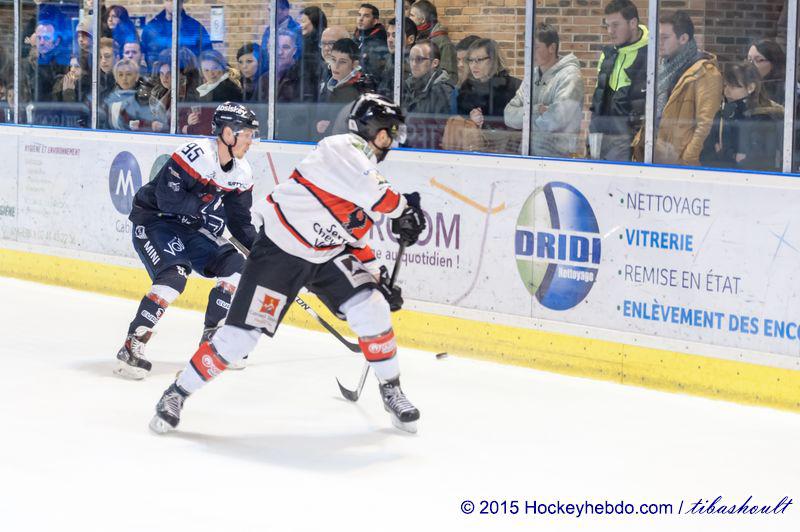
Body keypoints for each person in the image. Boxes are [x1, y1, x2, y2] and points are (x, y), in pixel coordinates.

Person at [149, 93, 426, 434]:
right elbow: (379, 192)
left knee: (372, 307)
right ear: (375, 132)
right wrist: (404, 209)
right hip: (280, 253)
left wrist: (377, 277)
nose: (391, 142)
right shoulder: (339, 149)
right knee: (238, 340)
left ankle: (391, 389)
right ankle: (177, 393)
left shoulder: (366, 177)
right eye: (389, 133)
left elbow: (355, 238)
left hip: (328, 255)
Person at [115, 102, 260, 380]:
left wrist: (263, 252)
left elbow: (240, 222)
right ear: (227, 133)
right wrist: (205, 209)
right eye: (246, 134)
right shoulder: (196, 155)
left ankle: (213, 341)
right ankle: (132, 345)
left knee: (236, 267)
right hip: (155, 221)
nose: (250, 141)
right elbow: (167, 199)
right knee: (174, 275)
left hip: (191, 227)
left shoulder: (242, 172)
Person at [642, 11, 721, 165]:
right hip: (660, 155)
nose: (659, 42)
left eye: (665, 37)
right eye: (657, 37)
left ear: (683, 38)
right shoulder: (661, 68)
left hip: (683, 162)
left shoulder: (705, 72)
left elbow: (705, 124)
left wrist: (687, 159)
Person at [504, 23, 584, 158]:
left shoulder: (570, 76)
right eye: (527, 47)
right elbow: (508, 115)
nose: (529, 53)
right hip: (527, 155)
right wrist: (536, 110)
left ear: (552, 48)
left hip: (558, 159)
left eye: (535, 47)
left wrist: (523, 120)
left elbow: (556, 120)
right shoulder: (532, 75)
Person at [588, 0, 648, 161]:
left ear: (633, 23)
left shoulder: (651, 54)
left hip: (632, 146)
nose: (610, 31)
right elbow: (598, 100)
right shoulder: (607, 54)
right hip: (600, 139)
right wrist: (591, 137)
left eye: (615, 25)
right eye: (607, 25)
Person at [700, 61, 783, 172]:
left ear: (750, 87)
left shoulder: (763, 118)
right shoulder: (722, 114)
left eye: (733, 87)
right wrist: (733, 156)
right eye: (725, 85)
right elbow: (705, 155)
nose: (726, 91)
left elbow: (760, 160)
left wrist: (723, 153)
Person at [452, 38, 522, 153]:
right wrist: (470, 120)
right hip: (473, 151)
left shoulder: (514, 87)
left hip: (506, 152)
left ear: (493, 60)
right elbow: (459, 125)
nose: (473, 65)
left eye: (479, 60)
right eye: (470, 60)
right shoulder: (466, 88)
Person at [316, 38, 375, 139]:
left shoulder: (357, 90)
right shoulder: (331, 84)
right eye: (333, 60)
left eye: (342, 62)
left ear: (355, 65)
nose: (336, 66)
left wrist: (329, 127)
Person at [403, 39, 454, 149]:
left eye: (419, 59)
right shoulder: (409, 85)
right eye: (411, 59)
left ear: (434, 63)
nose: (413, 64)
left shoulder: (441, 90)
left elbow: (441, 132)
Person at [141, 0, 212, 67]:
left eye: (177, 1)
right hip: (159, 74)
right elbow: (144, 55)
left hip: (187, 74)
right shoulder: (151, 28)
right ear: (165, 1)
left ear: (181, 2)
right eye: (170, 0)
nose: (174, 4)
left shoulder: (195, 27)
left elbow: (207, 55)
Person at [409, 1, 457, 82]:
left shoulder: (444, 43)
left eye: (412, 15)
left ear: (422, 20)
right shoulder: (417, 36)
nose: (409, 18)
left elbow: (450, 75)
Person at [378, 17, 417, 98]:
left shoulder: (417, 65)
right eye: (388, 35)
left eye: (395, 35)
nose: (390, 40)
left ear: (411, 39)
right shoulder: (388, 60)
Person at [353, 3, 389, 87]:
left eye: (366, 16)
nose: (360, 19)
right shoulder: (356, 37)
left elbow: (375, 71)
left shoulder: (379, 42)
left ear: (375, 21)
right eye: (359, 15)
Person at [746, 39, 786, 105]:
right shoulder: (745, 86)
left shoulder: (788, 89)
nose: (751, 65)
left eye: (759, 60)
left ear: (774, 62)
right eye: (749, 59)